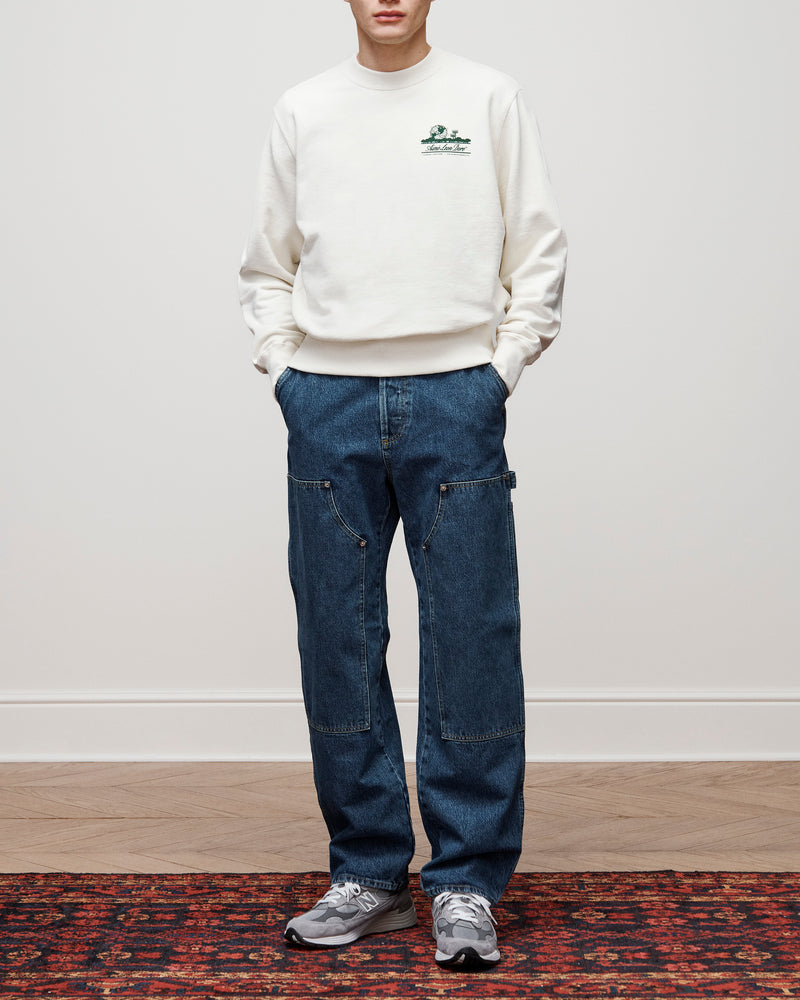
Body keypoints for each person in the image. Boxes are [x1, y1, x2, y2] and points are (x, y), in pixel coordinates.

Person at [237, 0, 567, 969]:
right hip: (326, 400)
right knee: (336, 638)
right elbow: (266, 267)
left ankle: (465, 881)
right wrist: (286, 372)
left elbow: (538, 249)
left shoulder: (487, 98)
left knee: (470, 635)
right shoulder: (303, 109)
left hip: (456, 395)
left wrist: (499, 369)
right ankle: (369, 872)